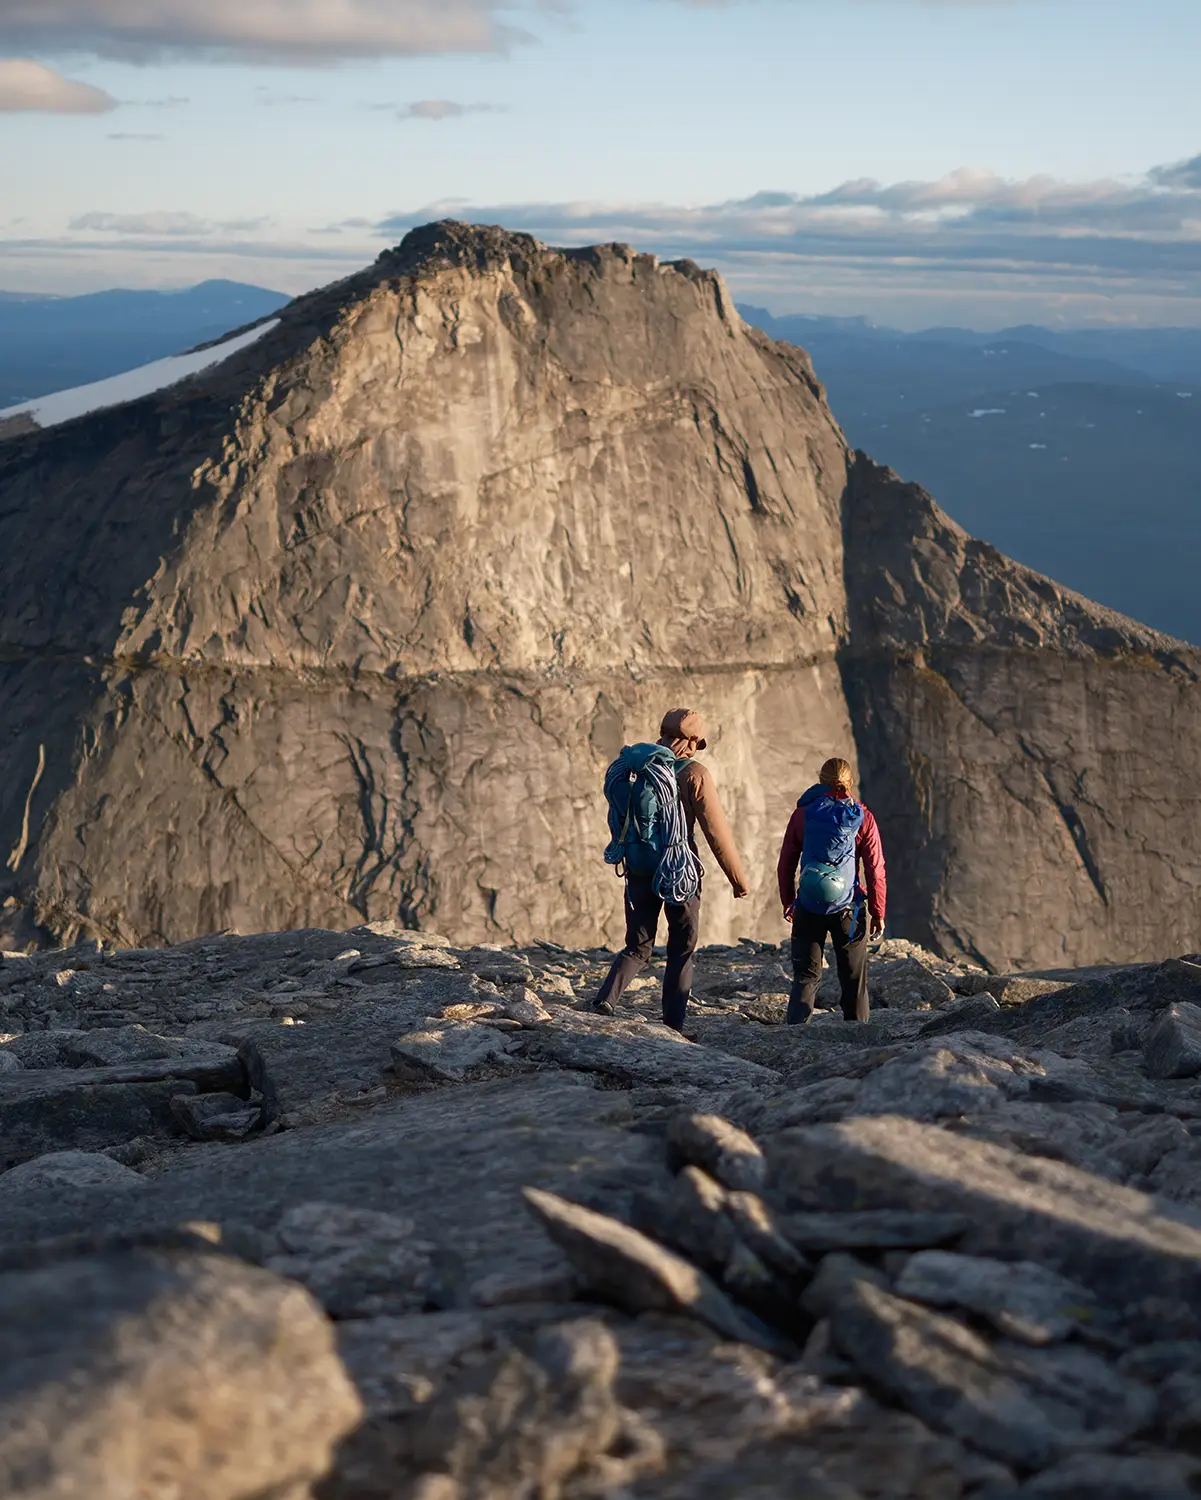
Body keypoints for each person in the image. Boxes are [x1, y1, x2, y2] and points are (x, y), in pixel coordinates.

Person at [592, 708, 750, 1031]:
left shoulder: (637, 768)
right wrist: (738, 880)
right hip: (678, 870)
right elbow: (716, 832)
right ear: (692, 741)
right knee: (681, 948)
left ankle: (605, 1000)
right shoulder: (695, 774)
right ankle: (673, 1026)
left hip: (639, 867)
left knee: (638, 946)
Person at [776, 756, 886, 1024]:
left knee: (806, 977)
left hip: (808, 905)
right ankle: (859, 1042)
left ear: (820, 779)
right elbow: (875, 870)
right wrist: (878, 912)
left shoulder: (803, 814)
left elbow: (786, 864)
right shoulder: (863, 817)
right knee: (853, 979)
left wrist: (789, 901)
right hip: (848, 908)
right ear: (849, 782)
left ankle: (794, 1039)